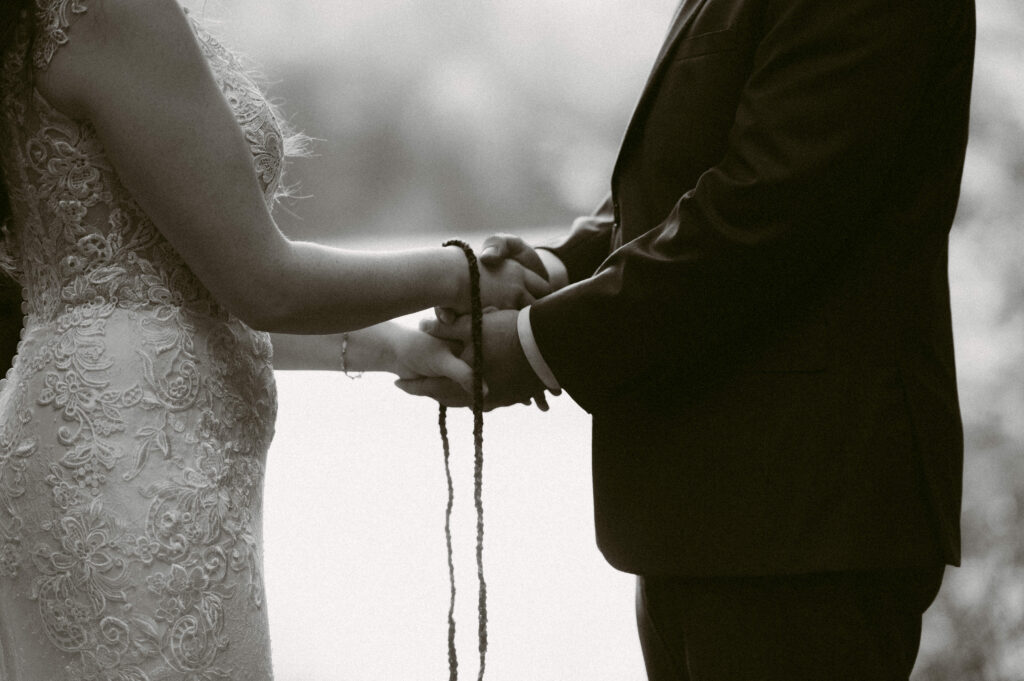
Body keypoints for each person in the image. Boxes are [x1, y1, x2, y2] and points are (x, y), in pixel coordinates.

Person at [402, 0, 977, 678]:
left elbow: (765, 212)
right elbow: (689, 174)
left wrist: (538, 343)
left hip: (805, 515)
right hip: (712, 508)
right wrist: (558, 268)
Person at [0, 1, 549, 679]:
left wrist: (391, 347)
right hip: (129, 469)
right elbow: (261, 280)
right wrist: (459, 270)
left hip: (101, 443)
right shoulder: (114, 8)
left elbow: (168, 292)